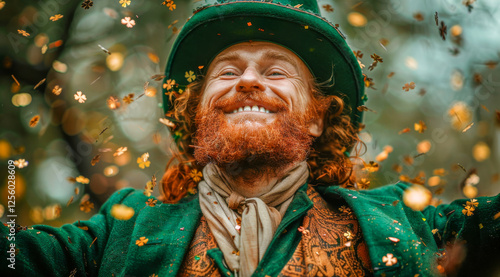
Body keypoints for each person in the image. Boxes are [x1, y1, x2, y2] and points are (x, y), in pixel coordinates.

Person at [2, 0, 499, 276]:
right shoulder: (118, 233)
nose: (248, 82)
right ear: (195, 115)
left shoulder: (403, 224)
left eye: (276, 71)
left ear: (317, 120)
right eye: (228, 72)